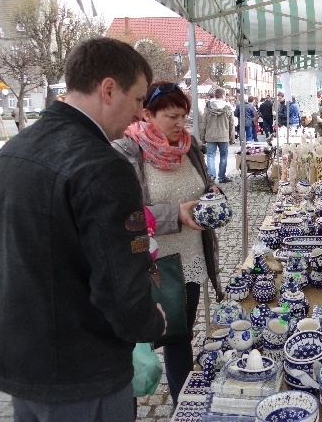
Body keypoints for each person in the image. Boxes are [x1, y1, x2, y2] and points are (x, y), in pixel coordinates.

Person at [0, 37, 166, 421]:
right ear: (108, 89)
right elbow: (120, 281)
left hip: (23, 365)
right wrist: (151, 322)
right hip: (83, 372)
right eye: (138, 99)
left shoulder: (11, 152)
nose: (140, 114)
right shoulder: (103, 166)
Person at [113, 81, 224, 408]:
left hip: (190, 259)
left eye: (183, 116)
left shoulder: (190, 147)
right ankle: (126, 406)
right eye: (171, 116)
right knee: (136, 344)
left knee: (180, 336)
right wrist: (173, 215)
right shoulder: (128, 154)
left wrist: (212, 195)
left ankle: (183, 404)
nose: (180, 124)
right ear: (148, 114)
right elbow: (124, 216)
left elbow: (203, 184)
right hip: (151, 265)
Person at [199, 87, 235, 183]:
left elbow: (203, 123)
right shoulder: (228, 108)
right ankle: (222, 177)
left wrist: (202, 137)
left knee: (210, 156)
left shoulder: (208, 107)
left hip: (210, 135)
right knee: (223, 156)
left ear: (215, 96)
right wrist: (232, 138)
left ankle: (212, 177)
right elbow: (231, 124)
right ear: (223, 96)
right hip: (224, 136)